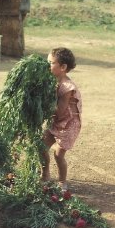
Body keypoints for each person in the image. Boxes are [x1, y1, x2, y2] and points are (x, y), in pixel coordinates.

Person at [40, 47, 82, 192]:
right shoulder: (50, 80)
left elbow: (59, 111)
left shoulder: (67, 87)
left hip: (69, 124)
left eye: (51, 63)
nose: (47, 66)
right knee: (41, 146)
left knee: (58, 154)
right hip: (56, 121)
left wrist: (41, 104)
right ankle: (45, 175)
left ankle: (62, 182)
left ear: (63, 67)